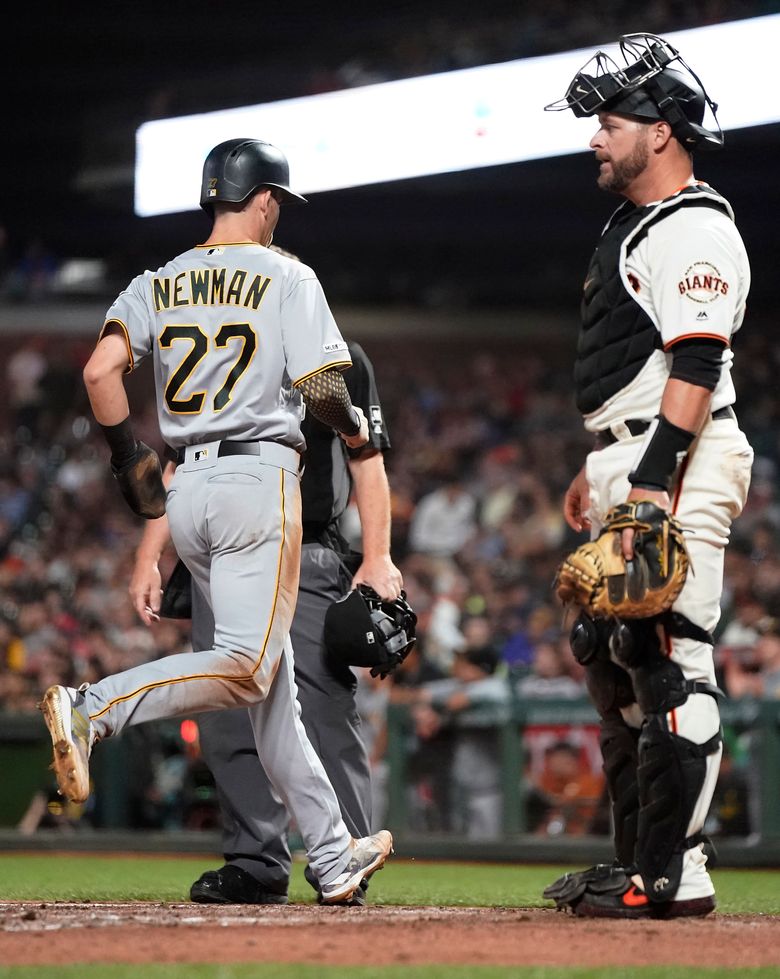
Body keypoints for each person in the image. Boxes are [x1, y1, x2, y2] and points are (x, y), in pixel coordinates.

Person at [38, 137, 393, 904]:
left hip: (187, 489)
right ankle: (92, 707)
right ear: (263, 198)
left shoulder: (158, 281)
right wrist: (356, 425)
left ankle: (332, 855)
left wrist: (126, 455)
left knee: (272, 695)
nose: (277, 215)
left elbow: (100, 372)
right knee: (248, 666)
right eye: (277, 203)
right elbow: (324, 385)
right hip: (257, 479)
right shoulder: (286, 273)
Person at [542, 34, 754, 917]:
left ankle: (678, 871)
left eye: (611, 120)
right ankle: (639, 859)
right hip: (627, 452)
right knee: (616, 657)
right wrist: (602, 469)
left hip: (679, 455)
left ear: (662, 131)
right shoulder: (635, 225)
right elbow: (636, 366)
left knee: (670, 657)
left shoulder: (694, 225)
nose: (596, 136)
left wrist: (654, 477)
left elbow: (698, 362)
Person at [129, 324, 402, 904]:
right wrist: (150, 555)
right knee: (226, 709)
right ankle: (256, 860)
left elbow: (367, 458)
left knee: (323, 709)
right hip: (222, 551)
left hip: (306, 546)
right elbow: (182, 463)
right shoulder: (223, 353)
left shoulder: (339, 356)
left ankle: (346, 851)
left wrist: (377, 554)